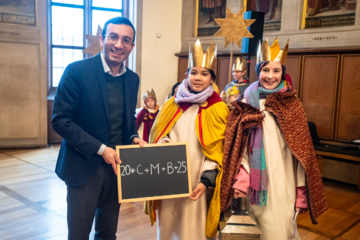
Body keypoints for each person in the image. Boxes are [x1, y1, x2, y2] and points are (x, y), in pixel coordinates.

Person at [220, 37, 328, 240]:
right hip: (254, 186)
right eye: (265, 70)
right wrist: (241, 180)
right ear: (258, 71)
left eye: (276, 71)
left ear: (283, 73)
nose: (270, 76)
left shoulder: (292, 104)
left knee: (280, 231)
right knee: (253, 231)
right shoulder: (245, 104)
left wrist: (301, 192)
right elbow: (238, 147)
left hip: (284, 183)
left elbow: (301, 153)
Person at [52, 17, 146, 240]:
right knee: (78, 234)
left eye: (126, 40)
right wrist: (101, 149)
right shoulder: (76, 71)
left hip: (116, 168)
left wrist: (133, 136)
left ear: (132, 46)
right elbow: (61, 120)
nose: (118, 44)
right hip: (83, 166)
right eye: (113, 37)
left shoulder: (132, 79)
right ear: (103, 38)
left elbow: (128, 119)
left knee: (107, 232)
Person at [144, 40, 229, 240]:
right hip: (170, 176)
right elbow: (159, 134)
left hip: (198, 180)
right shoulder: (170, 104)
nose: (198, 78)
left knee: (194, 228)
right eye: (193, 73)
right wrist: (163, 145)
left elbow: (218, 148)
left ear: (212, 78)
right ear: (186, 75)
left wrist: (206, 180)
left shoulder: (218, 108)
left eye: (204, 74)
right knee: (169, 224)